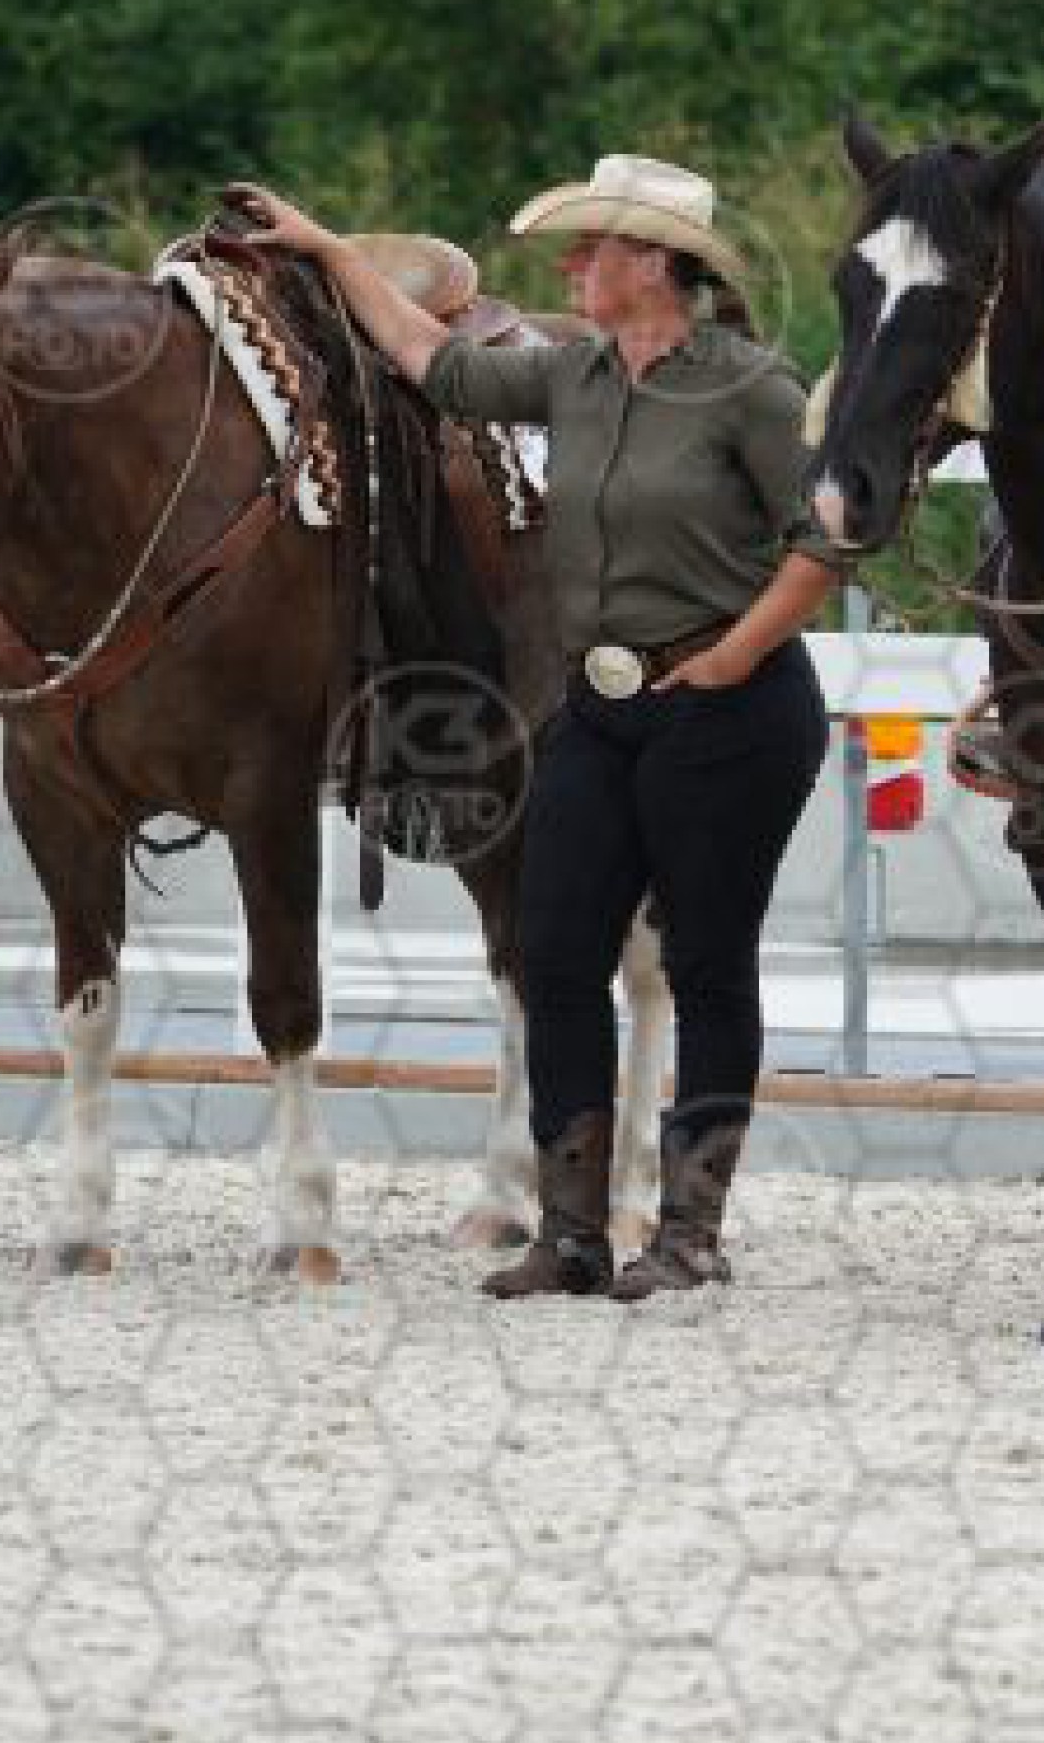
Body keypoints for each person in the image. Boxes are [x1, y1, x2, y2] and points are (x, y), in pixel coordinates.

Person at [222, 156, 843, 1299]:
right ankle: (570, 1231)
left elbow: (825, 540)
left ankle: (689, 1231)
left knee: (707, 962)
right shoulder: (573, 375)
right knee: (553, 951)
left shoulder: (750, 389)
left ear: (651, 263)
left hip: (729, 709)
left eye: (588, 248)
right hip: (595, 710)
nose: (568, 268)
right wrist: (325, 247)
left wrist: (736, 653)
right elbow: (430, 357)